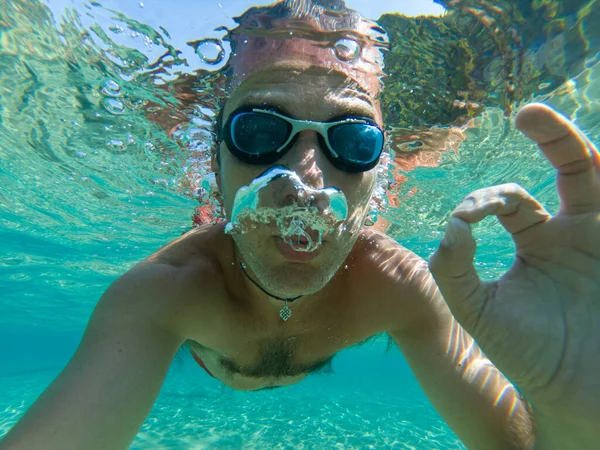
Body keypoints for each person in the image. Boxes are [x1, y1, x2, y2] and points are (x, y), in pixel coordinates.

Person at [2, 1, 599, 449]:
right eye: (259, 132)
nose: (306, 181)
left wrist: (573, 410)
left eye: (353, 141)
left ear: (380, 173)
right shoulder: (167, 291)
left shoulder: (399, 284)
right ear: (214, 165)